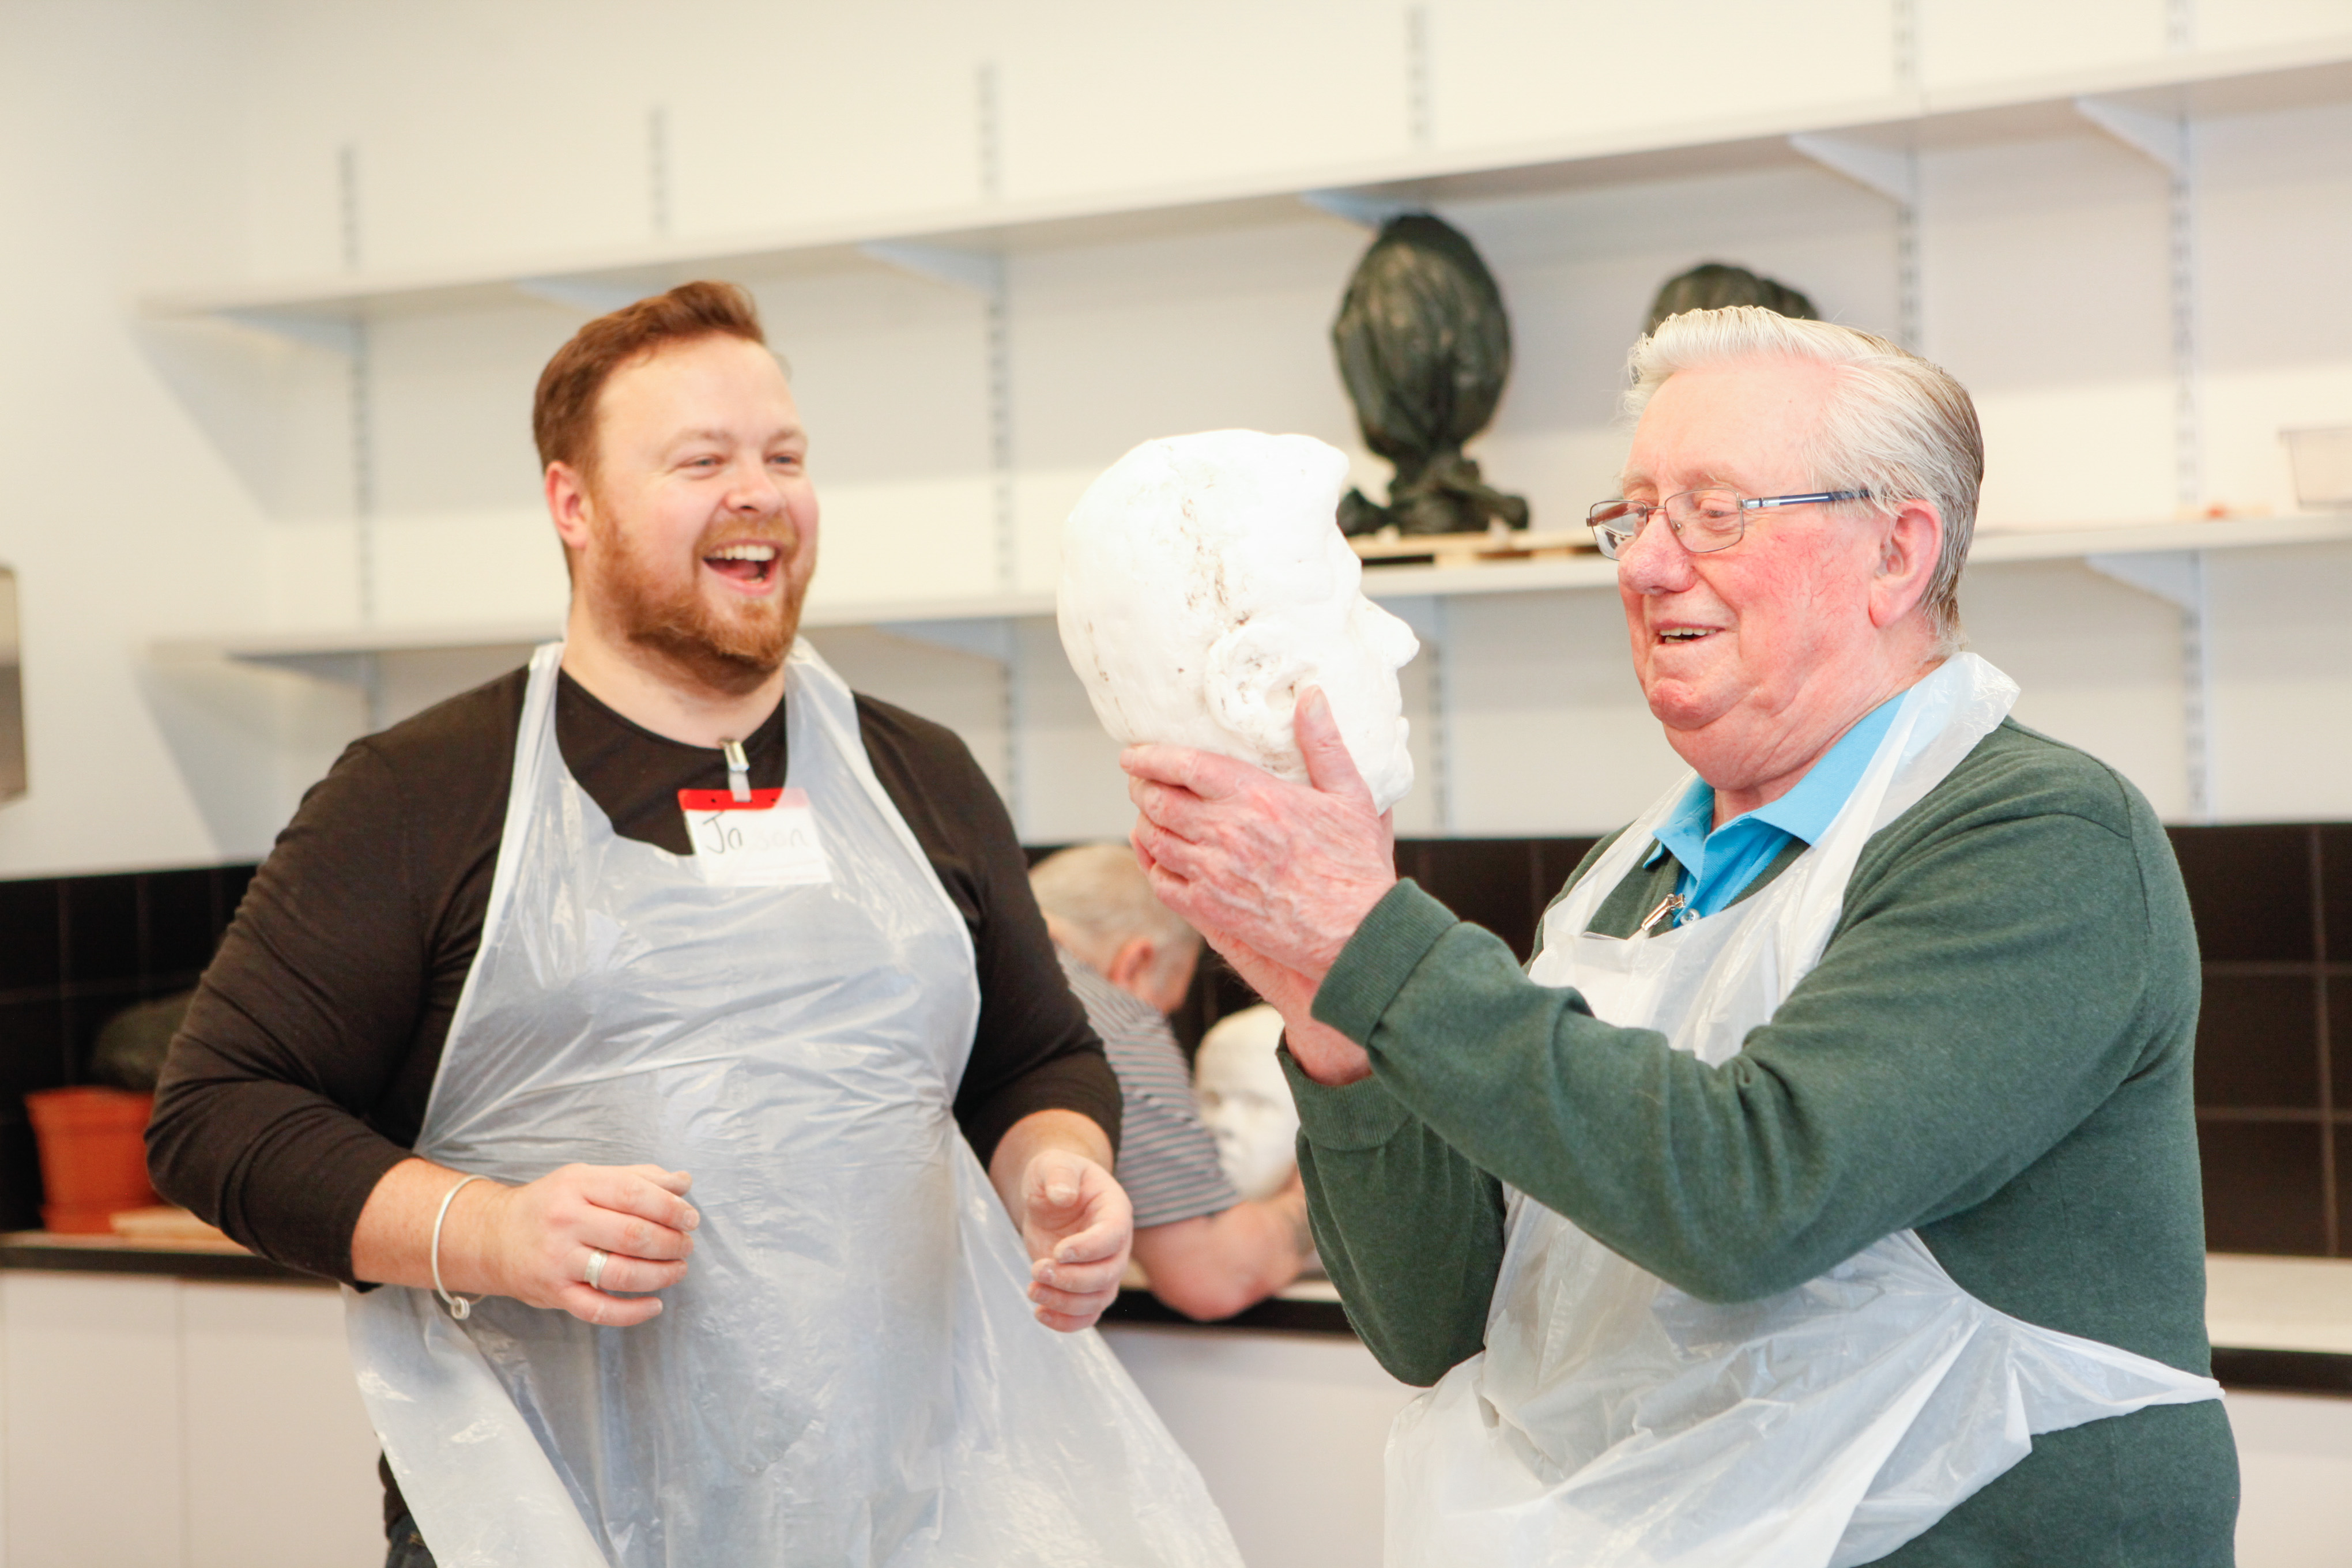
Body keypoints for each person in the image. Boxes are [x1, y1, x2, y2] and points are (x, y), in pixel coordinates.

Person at [147, 282, 1241, 1568]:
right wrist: (491, 1231)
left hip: (898, 1509)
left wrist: (1059, 1171)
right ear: (573, 505)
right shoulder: (419, 795)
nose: (760, 491)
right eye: (701, 460)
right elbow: (214, 1111)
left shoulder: (921, 776)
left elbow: (1029, 1058)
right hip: (544, 1513)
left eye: (785, 456)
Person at [1121, 308, 2236, 1565]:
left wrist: (1375, 943)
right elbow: (1443, 1325)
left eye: (1717, 511)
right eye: (1635, 514)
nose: (1646, 565)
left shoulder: (2039, 837)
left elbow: (1755, 1196)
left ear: (1896, 553)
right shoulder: (1628, 878)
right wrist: (1334, 1023)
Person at [1027, 844, 1313, 1321]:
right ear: (1137, 963)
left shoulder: (967, 961)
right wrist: (1319, 1195)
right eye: (1163, 1006)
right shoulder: (1111, 1019)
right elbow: (1215, 1275)